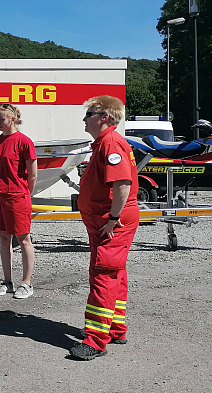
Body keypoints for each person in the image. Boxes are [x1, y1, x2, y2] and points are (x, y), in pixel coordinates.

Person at [69, 95, 138, 361]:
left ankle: (96, 341)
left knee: (103, 275)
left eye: (89, 114)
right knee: (115, 273)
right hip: (105, 221)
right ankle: (116, 328)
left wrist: (113, 218)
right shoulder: (104, 143)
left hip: (111, 222)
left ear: (104, 118)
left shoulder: (110, 142)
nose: (85, 119)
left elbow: (122, 184)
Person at [0, 104, 37, 299]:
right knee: (3, 238)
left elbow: (32, 174)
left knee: (23, 239)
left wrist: (24, 194)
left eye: (1, 119)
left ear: (13, 119)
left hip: (16, 196)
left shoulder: (24, 142)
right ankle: (7, 281)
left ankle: (26, 283)